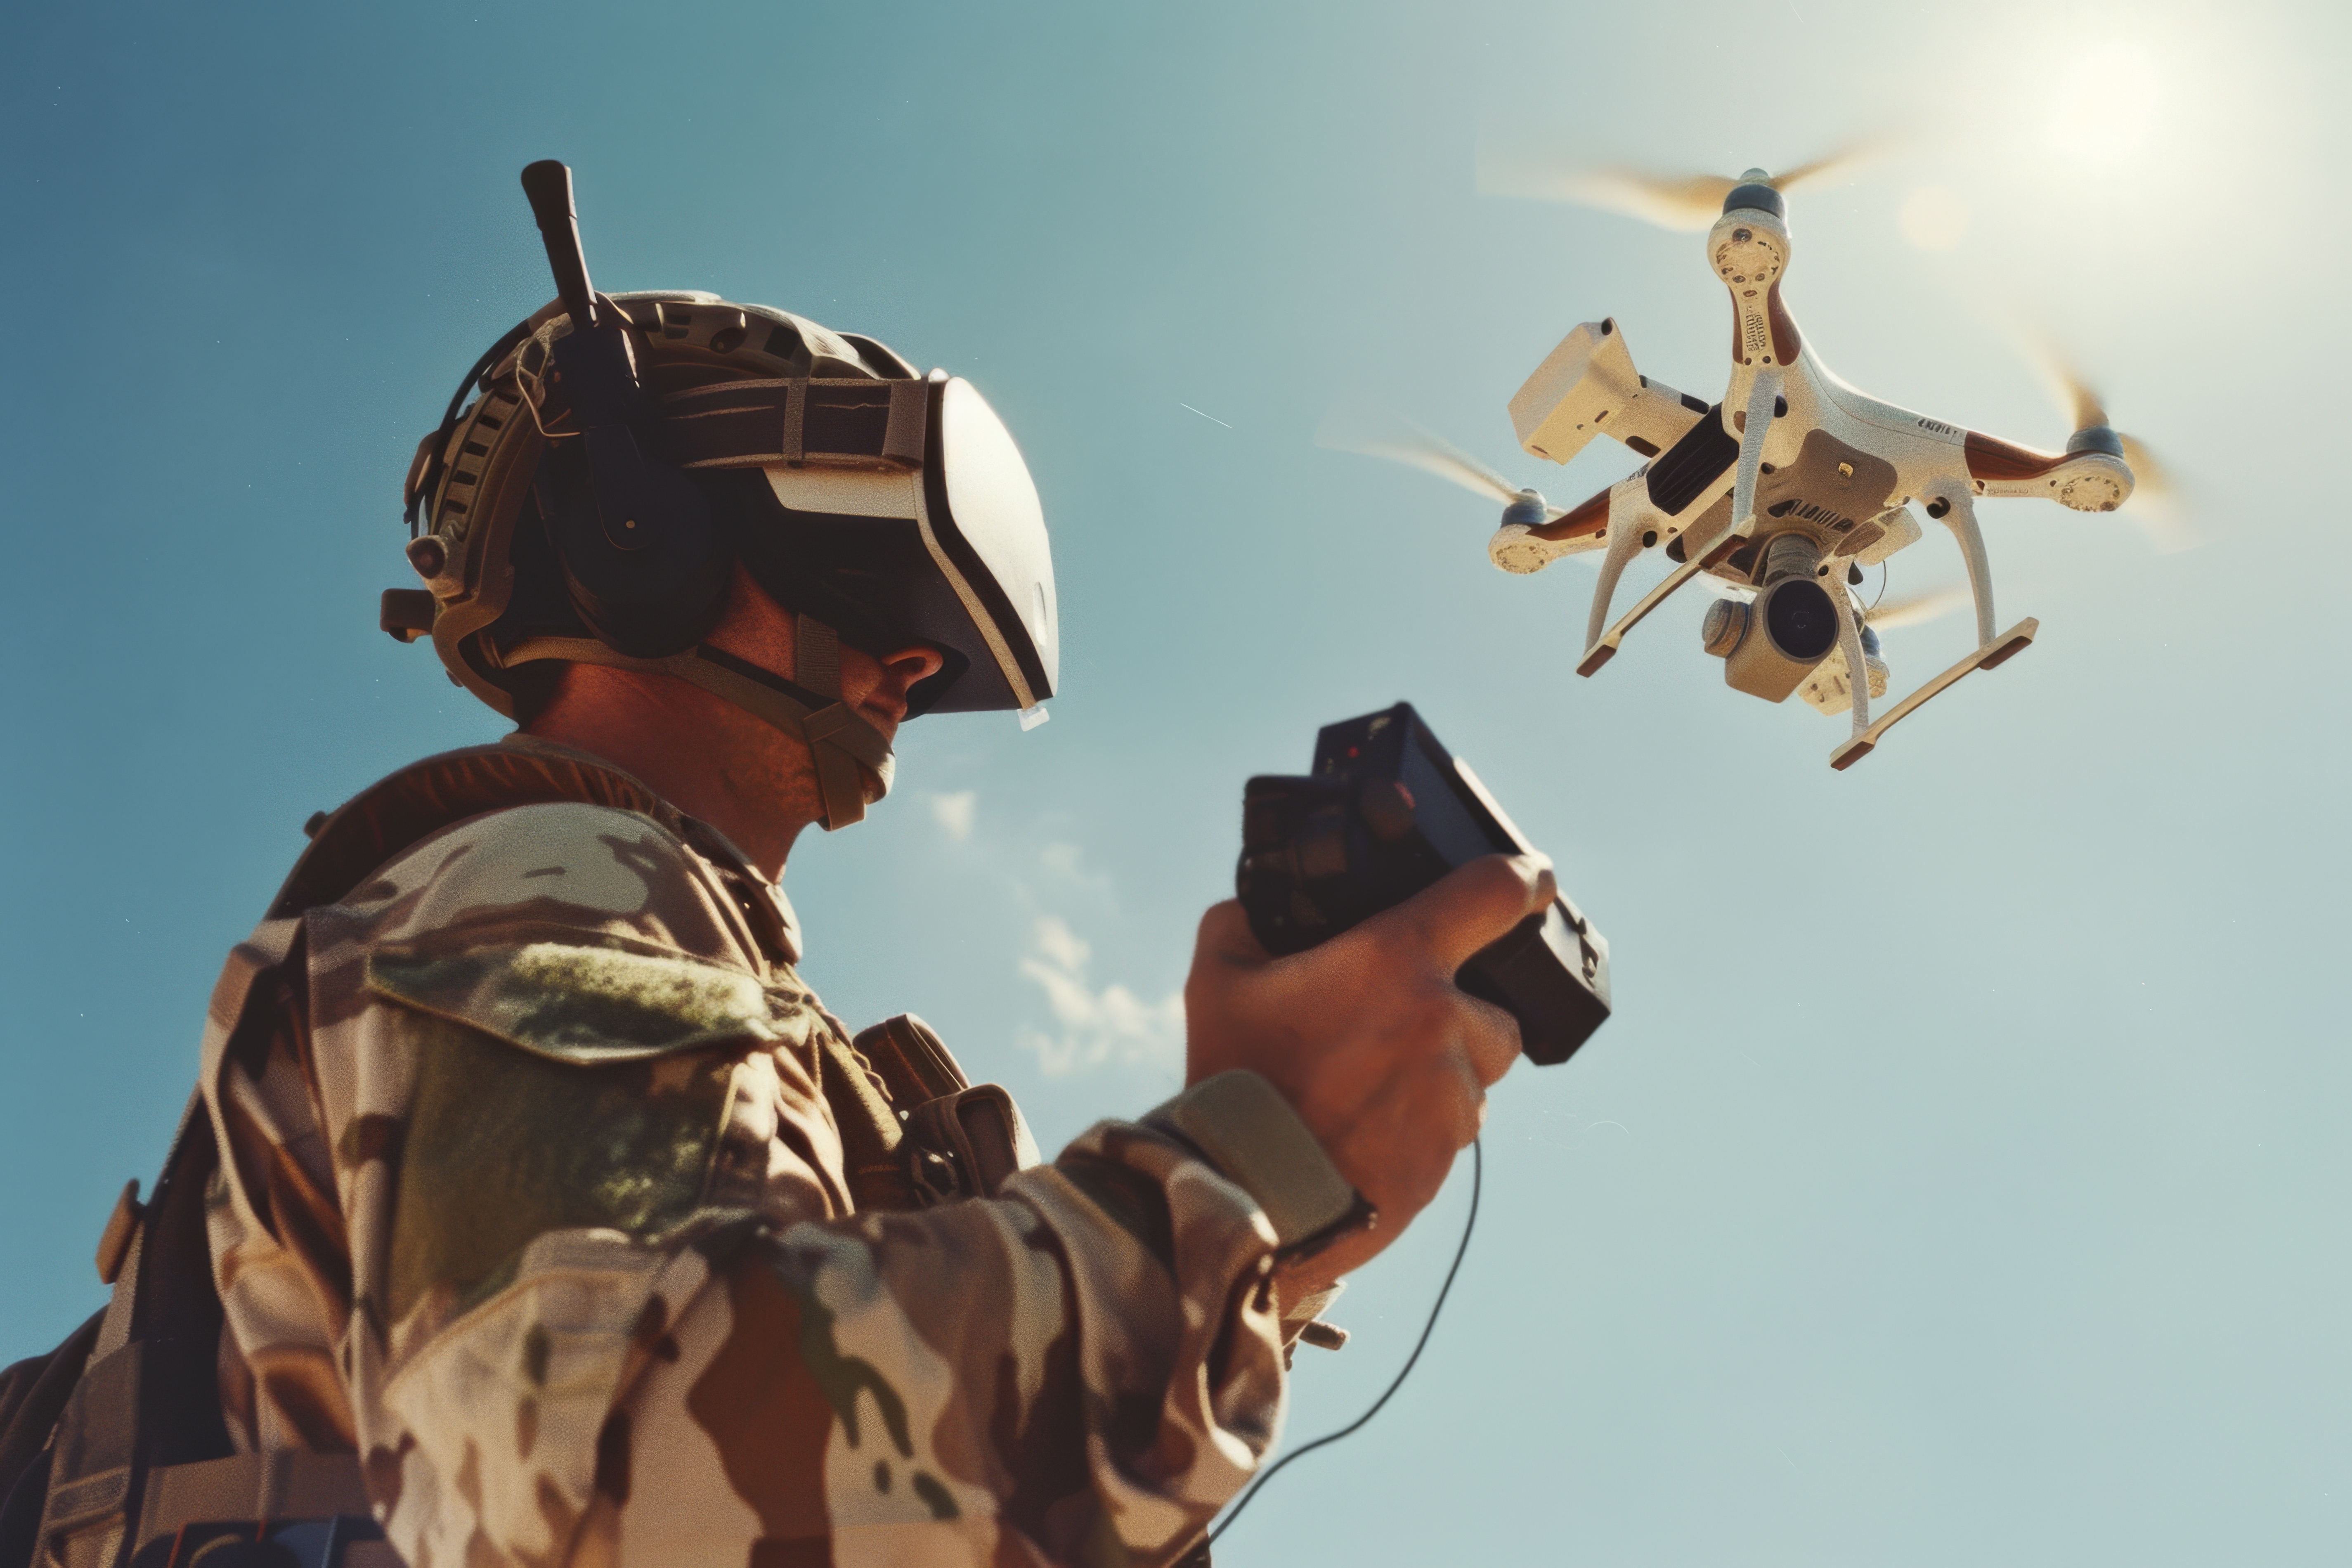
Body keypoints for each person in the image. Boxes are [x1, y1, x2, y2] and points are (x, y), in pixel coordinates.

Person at [8, 185, 1553, 1568]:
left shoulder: (670, 950)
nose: (915, 659)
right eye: (857, 566)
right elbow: (631, 1483)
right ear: (637, 536)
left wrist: (1257, 1274)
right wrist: (1234, 1186)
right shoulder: (556, 875)